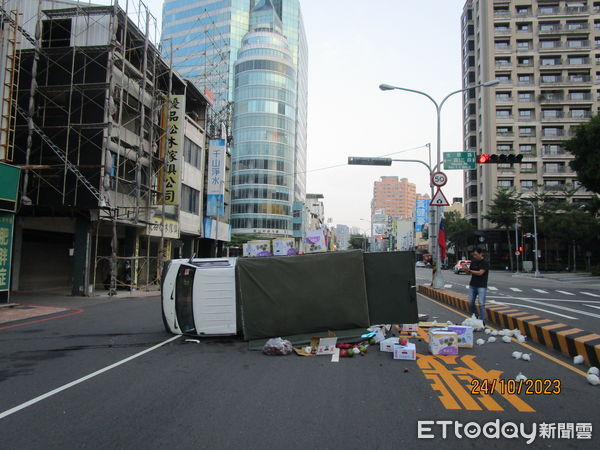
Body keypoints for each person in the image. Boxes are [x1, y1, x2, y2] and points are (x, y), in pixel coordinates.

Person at [464, 248, 489, 326]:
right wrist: (465, 269)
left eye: (476, 254)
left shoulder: (485, 263)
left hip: (481, 286)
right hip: (473, 285)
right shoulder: (473, 262)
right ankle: (475, 314)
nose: (474, 256)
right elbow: (469, 273)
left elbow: (480, 273)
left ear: (481, 254)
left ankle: (482, 321)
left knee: (481, 303)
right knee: (470, 302)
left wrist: (470, 270)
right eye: (474, 255)